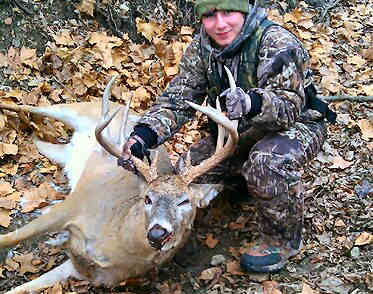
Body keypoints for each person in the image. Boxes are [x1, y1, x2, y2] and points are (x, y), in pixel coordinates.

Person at [120, 0, 336, 273]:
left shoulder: (277, 42)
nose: (220, 24)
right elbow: (177, 101)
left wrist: (251, 103)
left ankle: (280, 240)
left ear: (244, 11)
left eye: (228, 12)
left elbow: (288, 108)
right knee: (186, 170)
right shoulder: (202, 49)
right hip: (237, 132)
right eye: (210, 15)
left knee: (266, 163)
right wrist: (142, 137)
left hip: (296, 125)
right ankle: (239, 188)